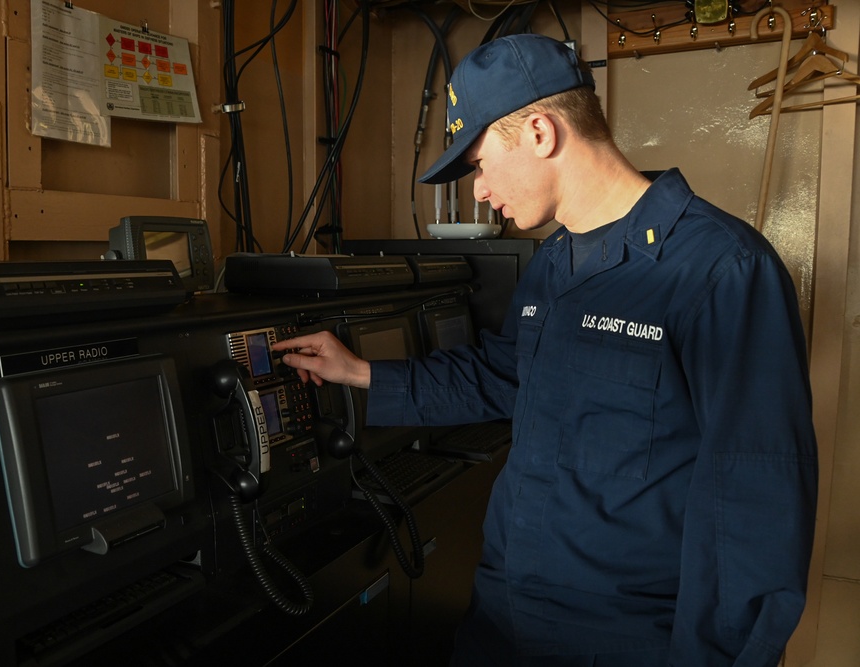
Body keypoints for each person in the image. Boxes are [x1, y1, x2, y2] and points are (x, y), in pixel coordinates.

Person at [271, 34, 818, 666]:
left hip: (627, 635)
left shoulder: (722, 269)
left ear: (539, 132)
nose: (479, 191)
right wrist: (360, 372)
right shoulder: (554, 262)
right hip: (505, 612)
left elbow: (755, 500)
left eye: (478, 163)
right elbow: (507, 375)